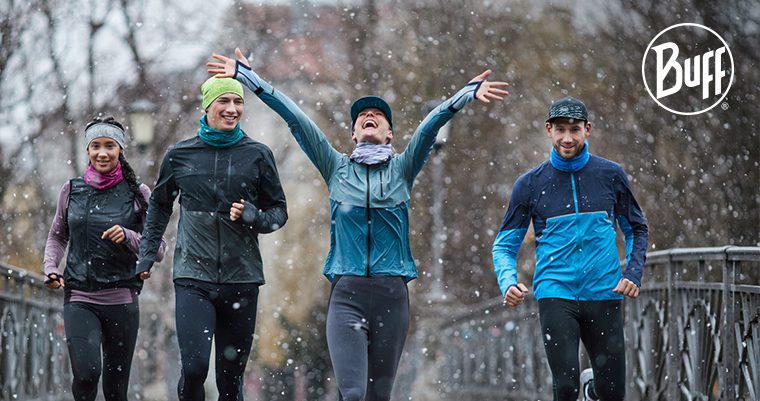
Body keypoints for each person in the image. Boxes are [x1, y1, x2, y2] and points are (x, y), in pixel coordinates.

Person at [207, 47, 509, 401]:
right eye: (362, 115)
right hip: (346, 296)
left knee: (378, 396)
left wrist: (463, 96)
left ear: (390, 134)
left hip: (391, 297)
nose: (369, 115)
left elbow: (431, 126)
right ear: (352, 134)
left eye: (377, 115)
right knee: (351, 394)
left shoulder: (402, 169)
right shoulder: (335, 167)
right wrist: (248, 77)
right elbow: (296, 118)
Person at [136, 74, 288, 401]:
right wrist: (146, 255)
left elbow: (279, 213)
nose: (232, 108)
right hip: (194, 276)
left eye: (238, 101)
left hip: (242, 279)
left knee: (230, 382)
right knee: (193, 370)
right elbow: (159, 208)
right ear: (207, 105)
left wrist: (255, 217)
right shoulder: (180, 155)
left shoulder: (258, 155)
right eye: (224, 101)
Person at [491, 97, 648, 401]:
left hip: (604, 291)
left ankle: (593, 391)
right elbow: (505, 244)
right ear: (548, 130)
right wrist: (508, 281)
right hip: (555, 292)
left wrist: (634, 272)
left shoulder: (611, 175)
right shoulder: (530, 184)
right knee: (564, 386)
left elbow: (637, 229)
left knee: (613, 393)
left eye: (574, 129)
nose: (567, 138)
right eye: (560, 129)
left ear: (587, 130)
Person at [43, 116, 166, 401]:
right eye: (95, 145)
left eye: (109, 145)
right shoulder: (71, 190)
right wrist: (50, 267)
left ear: (120, 149)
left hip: (121, 300)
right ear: (87, 150)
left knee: (115, 389)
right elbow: (57, 236)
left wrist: (129, 236)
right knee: (86, 374)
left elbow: (158, 249)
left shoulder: (139, 193)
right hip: (79, 297)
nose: (102, 152)